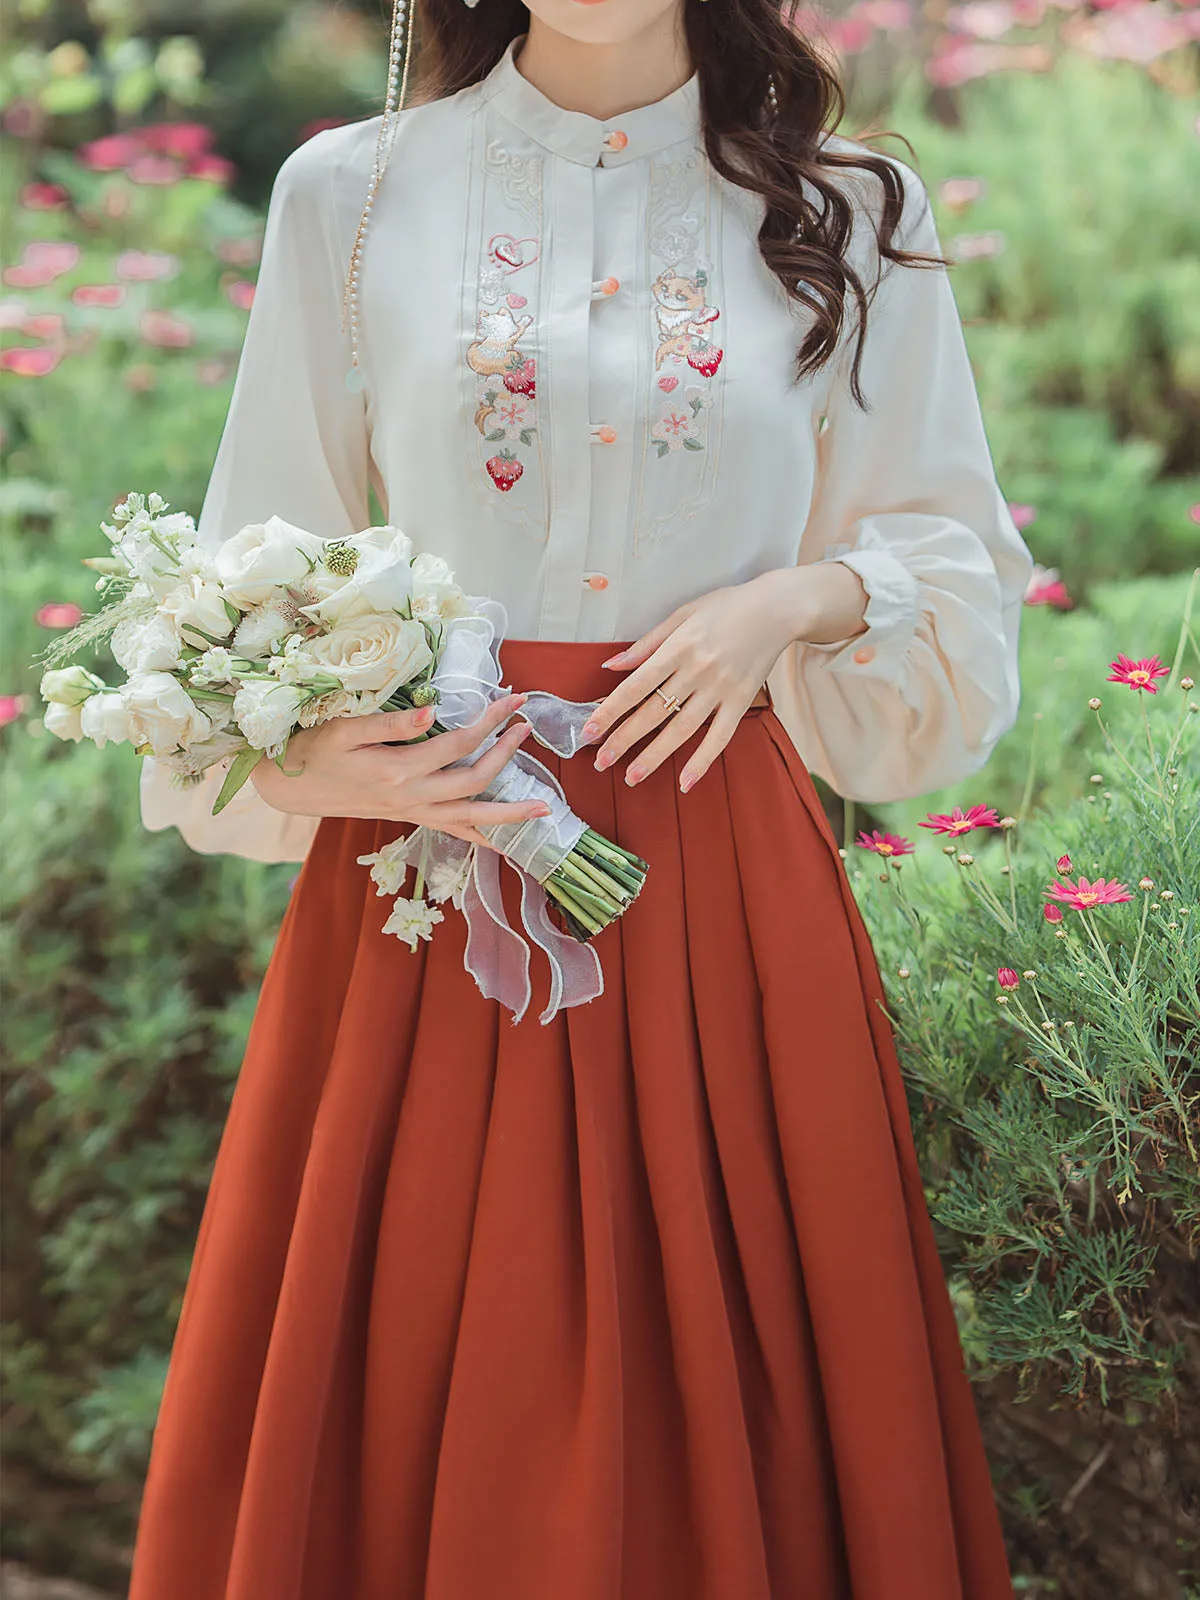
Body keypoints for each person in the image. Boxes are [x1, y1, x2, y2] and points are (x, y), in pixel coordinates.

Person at [126, 0, 1034, 1592]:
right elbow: (241, 575)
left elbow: (958, 560)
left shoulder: (850, 207)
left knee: (740, 1366)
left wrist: (798, 601)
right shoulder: (351, 195)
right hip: (431, 860)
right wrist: (314, 758)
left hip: (724, 877)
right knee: (410, 1356)